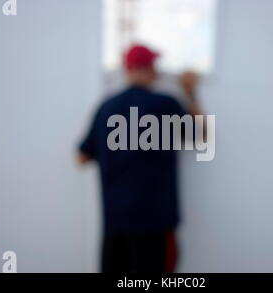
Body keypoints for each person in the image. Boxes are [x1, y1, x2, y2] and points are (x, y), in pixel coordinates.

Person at [77, 44, 203, 273]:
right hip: (154, 224)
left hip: (115, 224)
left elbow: (82, 157)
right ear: (147, 68)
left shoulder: (105, 108)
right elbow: (200, 134)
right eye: (154, 65)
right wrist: (190, 91)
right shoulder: (166, 104)